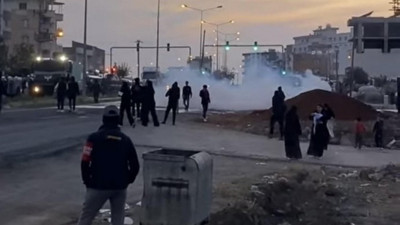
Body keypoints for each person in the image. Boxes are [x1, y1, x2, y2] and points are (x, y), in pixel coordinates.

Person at [77, 105, 140, 225]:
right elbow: (135, 166)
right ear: (118, 120)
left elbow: (85, 161)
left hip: (97, 185)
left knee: (86, 218)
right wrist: (127, 181)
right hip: (119, 187)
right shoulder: (126, 140)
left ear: (103, 120)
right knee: (118, 218)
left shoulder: (93, 138)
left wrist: (87, 181)